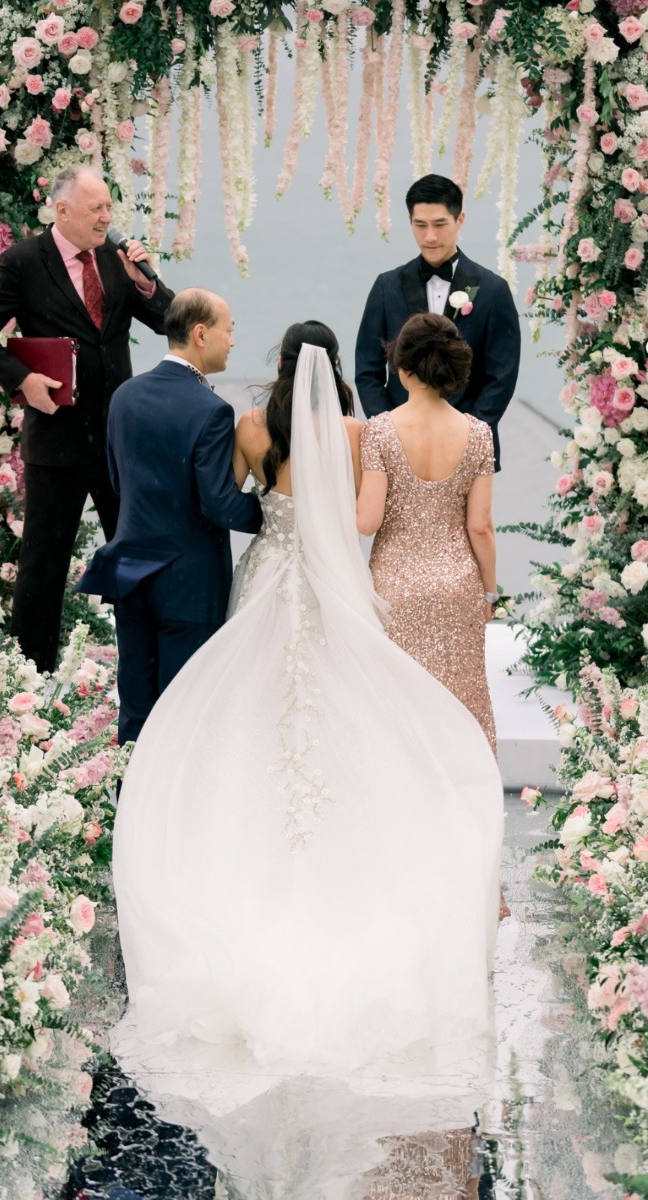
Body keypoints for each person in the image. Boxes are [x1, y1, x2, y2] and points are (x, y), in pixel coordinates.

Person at [109, 321, 504, 1121]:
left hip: (267, 574)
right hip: (330, 584)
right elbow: (357, 512)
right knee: (342, 699)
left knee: (248, 705)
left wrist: (274, 519)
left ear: (280, 361)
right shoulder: (360, 428)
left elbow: (228, 503)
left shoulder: (253, 425)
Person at [0, 164, 175, 673]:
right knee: (43, 568)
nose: (107, 218)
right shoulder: (23, 262)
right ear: (62, 211)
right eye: (96, 208)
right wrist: (22, 381)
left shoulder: (118, 259)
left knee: (135, 556)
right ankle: (29, 681)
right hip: (55, 439)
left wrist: (147, 282)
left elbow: (173, 322)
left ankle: (147, 668)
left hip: (119, 442)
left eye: (108, 208)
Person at [77, 289, 262, 746]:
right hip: (189, 583)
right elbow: (218, 503)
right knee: (186, 707)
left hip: (132, 573)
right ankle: (177, 812)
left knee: (136, 707)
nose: (233, 341)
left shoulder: (125, 395)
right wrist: (276, 513)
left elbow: (119, 482)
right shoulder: (211, 410)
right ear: (201, 334)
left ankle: (129, 806)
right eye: (229, 330)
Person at [358, 312, 498, 757]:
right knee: (460, 699)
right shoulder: (478, 434)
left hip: (394, 587)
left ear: (401, 367)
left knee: (397, 708)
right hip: (458, 588)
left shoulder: (379, 430)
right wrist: (490, 592)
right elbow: (480, 526)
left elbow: (368, 521)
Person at [354, 173, 520, 471]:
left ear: (460, 220)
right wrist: (390, 430)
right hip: (398, 447)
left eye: (440, 224)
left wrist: (470, 432)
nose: (429, 236)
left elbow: (501, 374)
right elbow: (368, 369)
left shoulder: (493, 290)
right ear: (410, 222)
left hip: (468, 446)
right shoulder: (386, 286)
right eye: (420, 225)